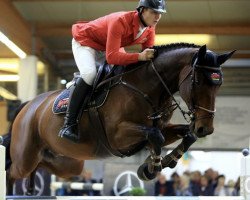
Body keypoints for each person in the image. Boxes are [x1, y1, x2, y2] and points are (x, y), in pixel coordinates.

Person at [58, 0, 167, 142]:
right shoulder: (120, 21)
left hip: (107, 46)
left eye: (160, 13)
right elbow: (112, 57)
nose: (157, 17)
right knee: (90, 75)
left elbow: (148, 57)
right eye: (154, 12)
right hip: (86, 42)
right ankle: (68, 125)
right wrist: (139, 56)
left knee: (121, 74)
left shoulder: (150, 28)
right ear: (142, 10)